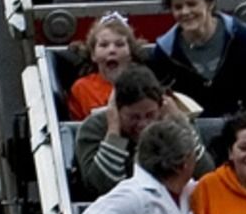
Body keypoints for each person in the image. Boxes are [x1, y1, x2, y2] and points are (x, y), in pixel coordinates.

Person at [74, 64, 211, 197]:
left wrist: (180, 124)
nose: (143, 124)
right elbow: (100, 188)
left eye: (150, 115)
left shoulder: (176, 124)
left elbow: (205, 174)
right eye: (134, 117)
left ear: (161, 107)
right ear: (116, 110)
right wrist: (114, 133)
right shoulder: (93, 128)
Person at [65, 13, 145, 121]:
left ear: (130, 53)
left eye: (119, 44)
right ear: (93, 54)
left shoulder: (144, 84)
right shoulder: (81, 88)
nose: (112, 50)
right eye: (104, 45)